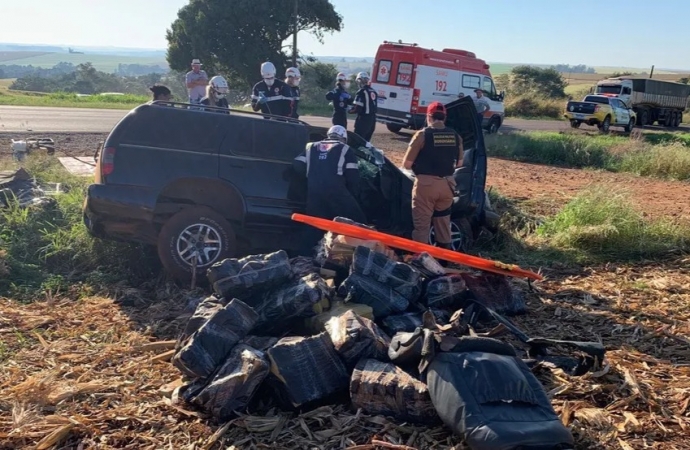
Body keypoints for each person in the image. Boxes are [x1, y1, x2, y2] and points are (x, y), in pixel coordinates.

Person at [293, 125, 367, 255]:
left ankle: (304, 256)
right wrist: (352, 194)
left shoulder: (311, 147)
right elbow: (353, 177)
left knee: (313, 226)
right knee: (357, 222)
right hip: (337, 192)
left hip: (314, 192)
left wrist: (309, 178)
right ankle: (361, 254)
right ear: (344, 138)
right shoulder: (345, 148)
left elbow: (298, 164)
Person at [401, 101, 464, 251]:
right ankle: (444, 260)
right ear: (444, 117)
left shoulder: (422, 135)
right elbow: (460, 163)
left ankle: (420, 260)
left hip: (426, 187)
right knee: (443, 224)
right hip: (447, 186)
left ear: (429, 116)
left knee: (422, 225)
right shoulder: (455, 136)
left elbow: (407, 165)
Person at [349, 72, 378, 142]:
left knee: (357, 141)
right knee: (366, 142)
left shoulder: (361, 91)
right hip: (372, 120)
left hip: (363, 120)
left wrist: (349, 110)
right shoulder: (373, 91)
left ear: (360, 81)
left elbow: (357, 109)